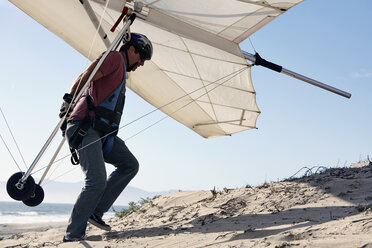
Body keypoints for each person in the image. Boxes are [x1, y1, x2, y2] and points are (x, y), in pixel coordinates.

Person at [59, 33, 153, 242]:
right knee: (96, 181)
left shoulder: (120, 69)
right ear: (131, 49)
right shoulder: (113, 58)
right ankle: (72, 236)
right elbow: (87, 75)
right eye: (142, 57)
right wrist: (69, 100)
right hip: (85, 127)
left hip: (102, 133)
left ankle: (95, 211)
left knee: (130, 164)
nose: (142, 64)